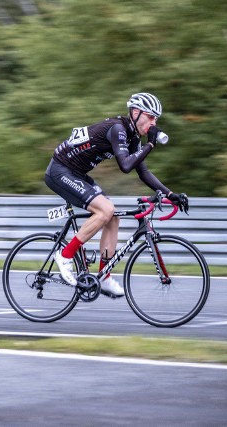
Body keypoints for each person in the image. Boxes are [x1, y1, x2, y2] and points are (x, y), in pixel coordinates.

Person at [44, 92, 189, 297]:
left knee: (112, 218)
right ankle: (65, 255)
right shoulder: (118, 129)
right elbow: (126, 166)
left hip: (77, 173)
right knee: (106, 209)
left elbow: (143, 172)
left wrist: (170, 194)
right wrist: (151, 144)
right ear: (136, 113)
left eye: (156, 118)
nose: (154, 122)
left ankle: (104, 276)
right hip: (59, 171)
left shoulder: (132, 137)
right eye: (151, 116)